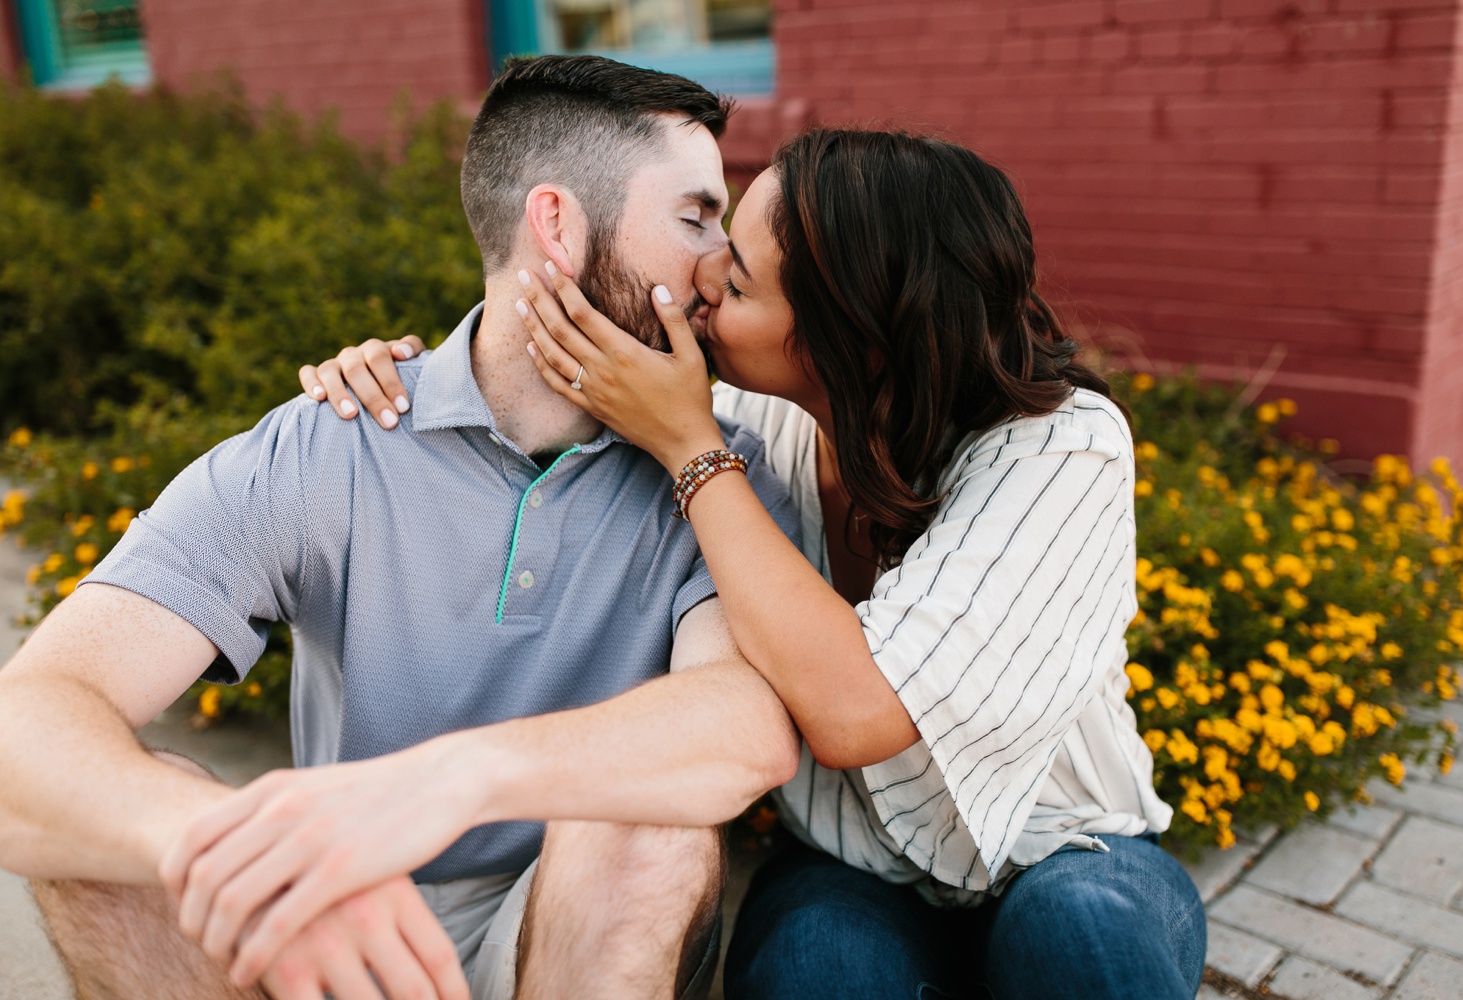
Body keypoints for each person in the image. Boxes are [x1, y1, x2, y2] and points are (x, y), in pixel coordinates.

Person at [322, 128, 1209, 999]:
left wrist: (691, 450)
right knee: (815, 969)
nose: (704, 277)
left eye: (738, 277)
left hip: (1061, 846)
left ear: (848, 341)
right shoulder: (758, 412)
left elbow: (858, 714)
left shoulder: (1061, 452)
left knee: (1079, 935)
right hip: (849, 859)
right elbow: (547, 375)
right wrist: (401, 378)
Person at [0, 55, 805, 1000]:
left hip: (561, 917)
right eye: (694, 217)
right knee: (106, 836)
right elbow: (33, 715)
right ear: (558, 225)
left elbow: (743, 726)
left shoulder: (717, 474)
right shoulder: (335, 443)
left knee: (647, 820)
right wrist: (225, 847)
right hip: (325, 919)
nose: (718, 263)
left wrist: (449, 782)